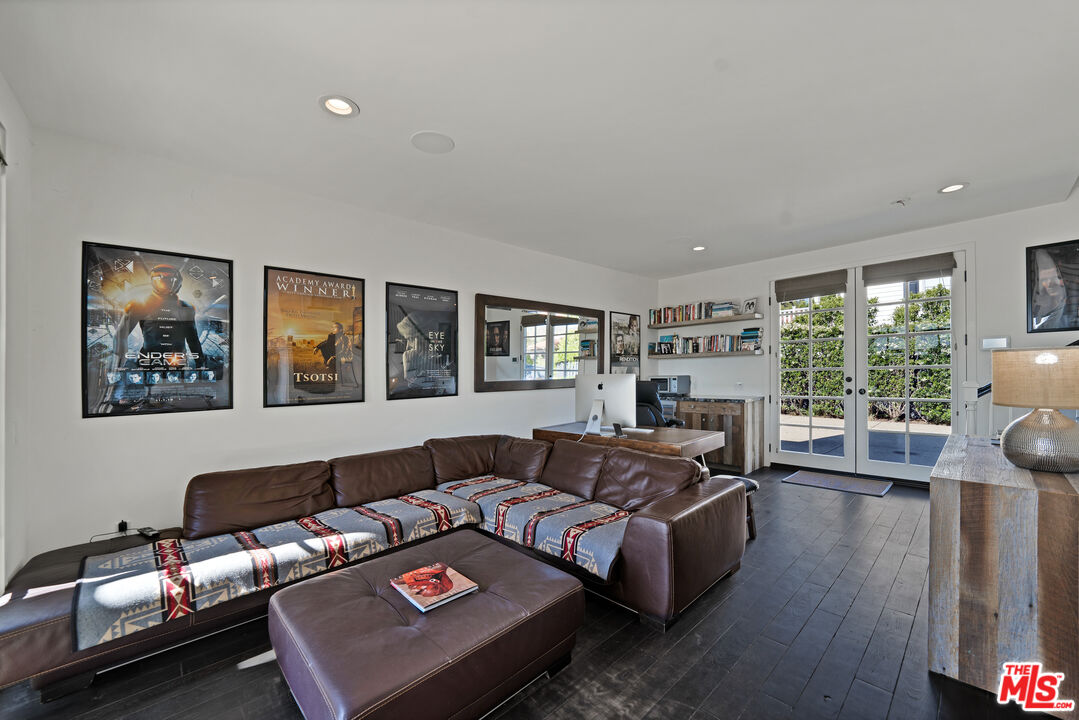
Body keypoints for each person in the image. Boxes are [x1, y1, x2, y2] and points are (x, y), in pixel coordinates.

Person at [113, 264, 204, 369]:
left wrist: (201, 366)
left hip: (176, 363)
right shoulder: (139, 305)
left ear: (177, 282)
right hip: (150, 363)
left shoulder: (186, 307)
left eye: (169, 278)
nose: (164, 281)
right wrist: (118, 366)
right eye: (160, 277)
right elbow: (120, 336)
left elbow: (193, 339)